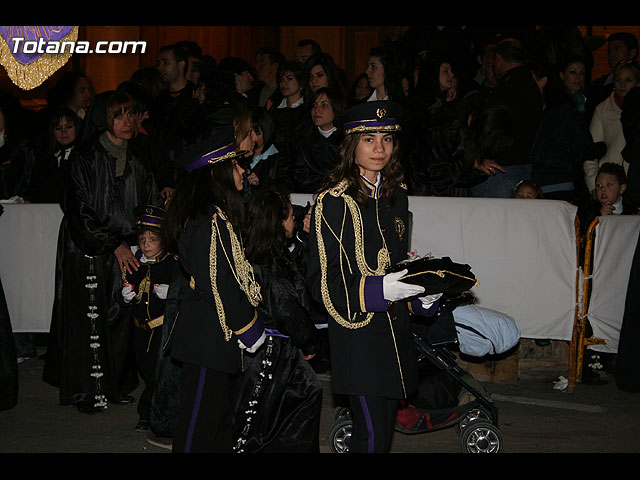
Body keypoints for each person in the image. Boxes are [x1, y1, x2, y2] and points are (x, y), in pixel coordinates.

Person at [306, 100, 442, 453]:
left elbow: (397, 266)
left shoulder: (398, 198)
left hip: (394, 336)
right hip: (357, 336)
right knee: (370, 437)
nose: (379, 148)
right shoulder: (333, 201)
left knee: (381, 437)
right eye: (369, 139)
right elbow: (324, 285)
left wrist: (422, 295)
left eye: (387, 138)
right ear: (351, 146)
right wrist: (382, 288)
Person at [42, 91, 162, 414]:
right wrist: (113, 244)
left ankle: (117, 385)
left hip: (125, 247)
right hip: (88, 247)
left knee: (122, 317)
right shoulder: (85, 156)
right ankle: (89, 390)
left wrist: (152, 237)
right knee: (90, 318)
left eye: (131, 114)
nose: (127, 122)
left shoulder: (139, 158)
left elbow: (149, 203)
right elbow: (79, 209)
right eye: (119, 115)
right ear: (106, 119)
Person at [161, 127, 265, 453]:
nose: (242, 170)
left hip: (211, 335)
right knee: (198, 429)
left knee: (218, 422)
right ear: (217, 171)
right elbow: (219, 283)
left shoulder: (211, 216)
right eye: (234, 165)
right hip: (209, 336)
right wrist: (250, 328)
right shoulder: (210, 220)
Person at [231, 187, 322, 453]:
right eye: (291, 216)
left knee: (272, 415)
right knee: (255, 421)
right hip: (271, 354)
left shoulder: (251, 255)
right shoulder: (270, 262)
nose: (294, 221)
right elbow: (287, 308)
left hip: (260, 350)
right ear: (278, 222)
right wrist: (310, 343)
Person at [118, 205, 178, 432]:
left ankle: (148, 414)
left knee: (156, 373)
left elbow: (186, 292)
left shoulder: (172, 263)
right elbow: (126, 286)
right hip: (139, 329)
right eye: (142, 239)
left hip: (161, 328)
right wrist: (123, 297)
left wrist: (171, 291)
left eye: (152, 239)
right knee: (145, 370)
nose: (145, 244)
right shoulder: (135, 261)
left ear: (163, 241)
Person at [471, 38, 544, 198]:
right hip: (522, 165)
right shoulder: (531, 86)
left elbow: (491, 126)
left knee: (490, 218)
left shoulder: (506, 88)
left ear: (498, 59)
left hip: (499, 168)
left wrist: (481, 155)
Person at [530, 56, 597, 203]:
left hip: (573, 174)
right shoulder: (560, 105)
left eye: (582, 73)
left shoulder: (588, 102)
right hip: (561, 176)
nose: (578, 78)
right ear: (562, 75)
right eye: (573, 72)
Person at [584, 61, 640, 196]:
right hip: (610, 184)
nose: (622, 85)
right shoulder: (602, 110)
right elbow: (591, 153)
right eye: (618, 80)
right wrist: (594, 186)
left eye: (628, 80)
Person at [292, 86, 345, 193]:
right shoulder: (303, 141)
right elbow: (300, 176)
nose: (317, 110)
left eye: (324, 105)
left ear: (336, 108)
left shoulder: (347, 140)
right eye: (314, 105)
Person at [26, 106, 80, 204]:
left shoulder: (84, 159)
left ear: (77, 128)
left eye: (69, 127)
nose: (64, 132)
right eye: (59, 128)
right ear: (53, 132)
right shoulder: (45, 160)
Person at [586, 32, 639, 120]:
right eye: (609, 50)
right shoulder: (597, 87)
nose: (611, 54)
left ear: (632, 53)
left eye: (617, 49)